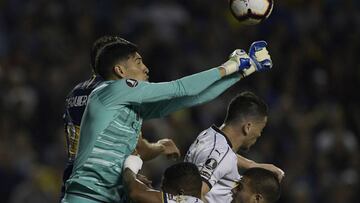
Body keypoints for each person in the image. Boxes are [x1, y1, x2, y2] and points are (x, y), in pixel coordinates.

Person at [62, 35, 272, 203]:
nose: (146, 68)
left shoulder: (132, 107)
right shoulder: (110, 90)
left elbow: (192, 97)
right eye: (138, 61)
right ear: (120, 71)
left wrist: (245, 71)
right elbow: (180, 87)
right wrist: (230, 65)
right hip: (87, 197)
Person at [60, 36, 181, 200]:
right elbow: (139, 149)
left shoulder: (74, 93)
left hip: (73, 183)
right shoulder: (119, 93)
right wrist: (161, 146)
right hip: (103, 188)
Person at [184, 91, 284, 203]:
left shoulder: (209, 136)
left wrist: (253, 165)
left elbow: (223, 156)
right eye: (261, 129)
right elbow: (192, 195)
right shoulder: (221, 153)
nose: (259, 134)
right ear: (248, 127)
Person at [122, 155, 203, 203]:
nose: (161, 193)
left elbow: (135, 192)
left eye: (164, 191)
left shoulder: (187, 201)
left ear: (181, 193)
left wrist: (131, 165)